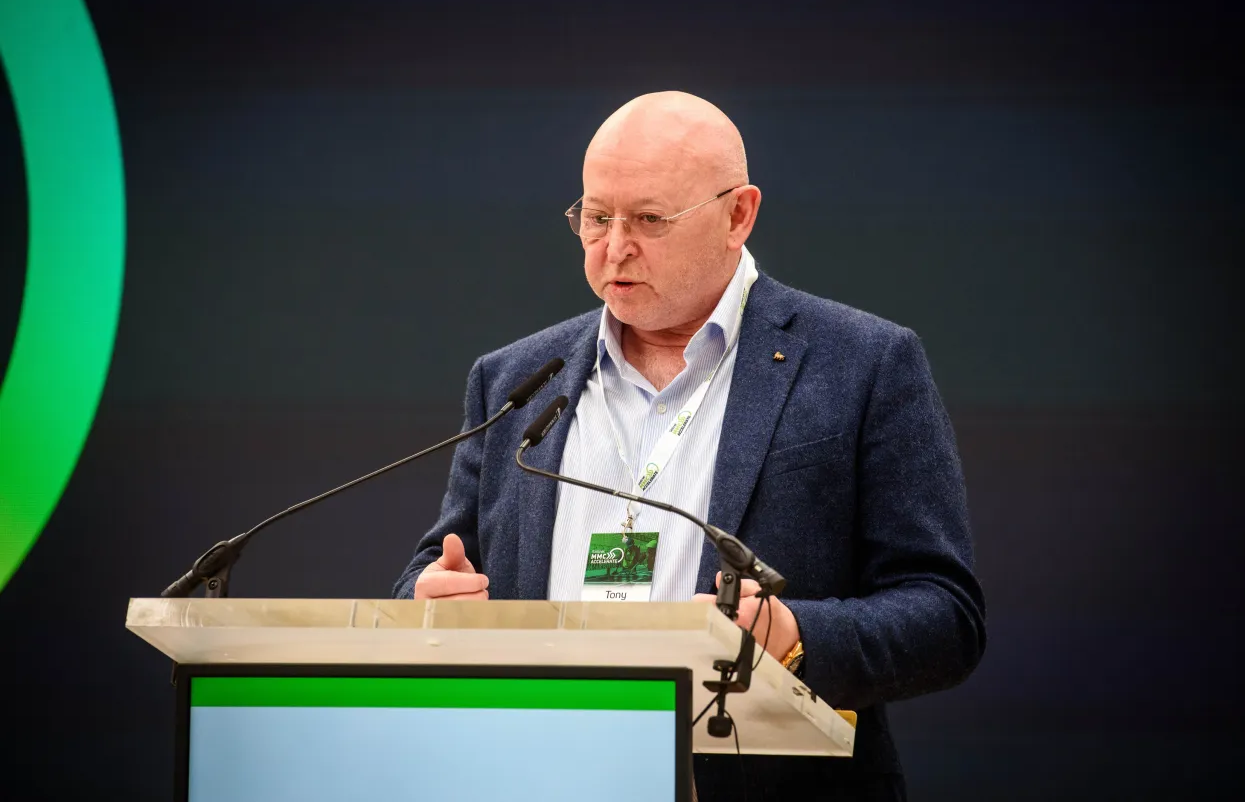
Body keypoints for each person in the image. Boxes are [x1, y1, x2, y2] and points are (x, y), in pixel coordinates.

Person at [393, 91, 986, 800]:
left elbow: (945, 616)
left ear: (738, 215)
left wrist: (797, 634)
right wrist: (427, 600)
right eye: (596, 217)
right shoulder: (514, 380)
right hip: (541, 775)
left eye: (649, 219)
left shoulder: (863, 363)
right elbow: (439, 569)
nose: (615, 247)